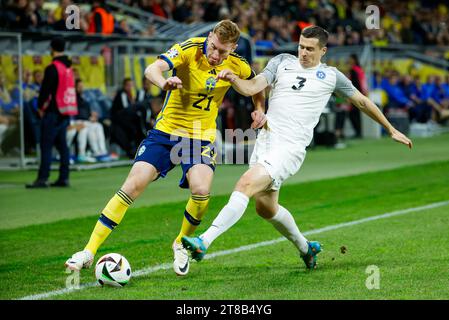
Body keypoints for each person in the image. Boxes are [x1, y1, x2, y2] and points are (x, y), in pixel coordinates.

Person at [181, 26, 413, 270]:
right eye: (301, 46)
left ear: (323, 51)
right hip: (265, 142)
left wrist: (390, 129)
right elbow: (252, 87)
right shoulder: (281, 62)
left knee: (245, 184)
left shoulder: (332, 76)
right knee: (265, 208)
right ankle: (306, 248)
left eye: (310, 49)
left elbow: (362, 101)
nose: (303, 52)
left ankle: (203, 241)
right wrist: (234, 79)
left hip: (289, 148)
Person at [65, 20, 266, 276]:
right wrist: (163, 83)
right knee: (132, 185)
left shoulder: (238, 63)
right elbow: (152, 69)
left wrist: (259, 110)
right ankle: (88, 251)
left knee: (202, 190)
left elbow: (258, 85)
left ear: (233, 48)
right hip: (166, 132)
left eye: (223, 52)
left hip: (199, 137)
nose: (216, 55)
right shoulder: (188, 49)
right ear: (210, 35)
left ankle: (181, 243)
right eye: (213, 47)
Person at [26, 37, 77, 188]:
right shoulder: (68, 68)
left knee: (46, 145)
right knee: (63, 146)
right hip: (65, 111)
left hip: (53, 112)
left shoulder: (53, 68)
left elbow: (45, 91)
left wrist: (41, 108)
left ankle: (42, 178)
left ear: (52, 48)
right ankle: (64, 177)